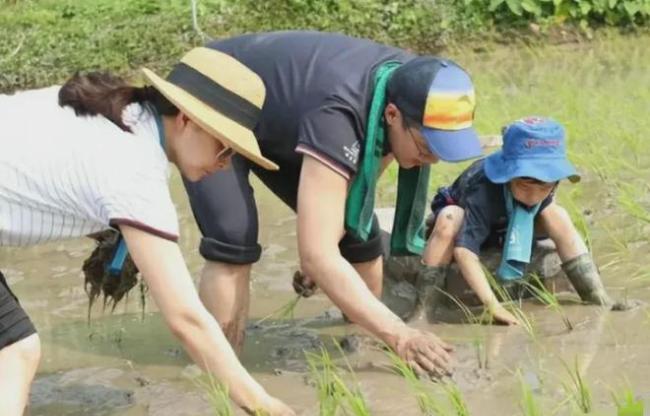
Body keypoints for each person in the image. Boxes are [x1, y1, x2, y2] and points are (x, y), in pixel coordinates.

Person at [0, 47, 302, 416]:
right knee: (15, 352)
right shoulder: (136, 171)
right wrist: (262, 404)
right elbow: (186, 319)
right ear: (188, 121)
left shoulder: (119, 113)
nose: (226, 163)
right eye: (225, 147)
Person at [182, 31, 484, 377]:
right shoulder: (340, 114)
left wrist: (325, 247)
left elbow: (357, 191)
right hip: (214, 94)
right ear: (392, 115)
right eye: (426, 147)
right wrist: (400, 332)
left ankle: (362, 350)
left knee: (359, 234)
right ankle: (221, 373)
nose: (429, 160)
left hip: (284, 114)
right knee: (233, 236)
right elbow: (318, 253)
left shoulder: (409, 85)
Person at [417, 116, 622, 324]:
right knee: (449, 218)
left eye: (544, 188)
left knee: (558, 214)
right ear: (508, 176)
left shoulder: (547, 186)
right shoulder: (483, 189)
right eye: (524, 186)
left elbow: (549, 211)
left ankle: (597, 296)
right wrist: (493, 306)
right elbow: (464, 251)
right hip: (470, 223)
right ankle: (423, 309)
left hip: (509, 225)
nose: (533, 196)